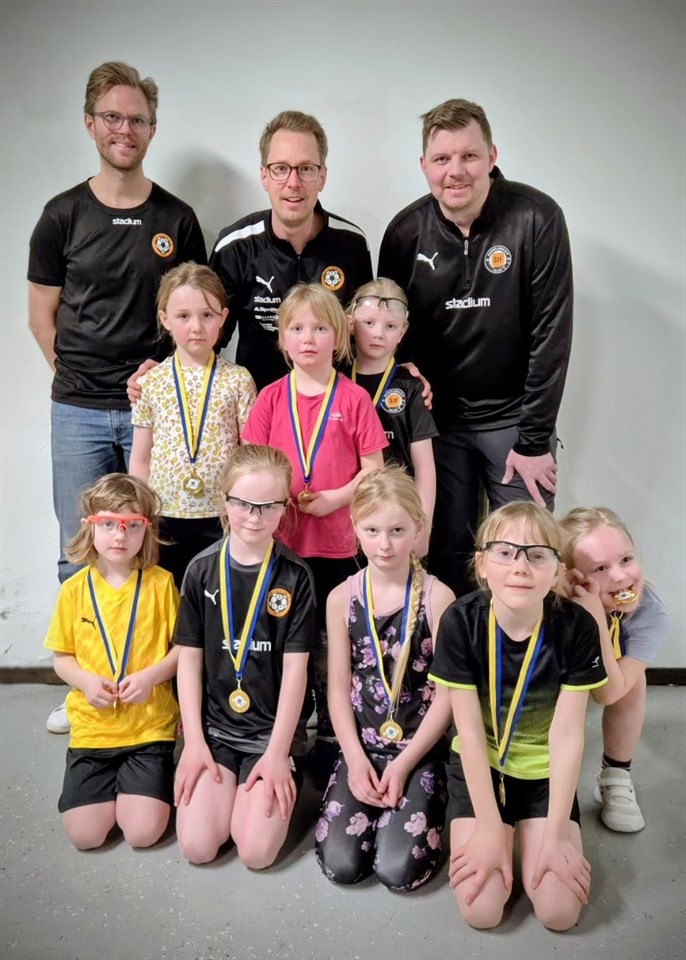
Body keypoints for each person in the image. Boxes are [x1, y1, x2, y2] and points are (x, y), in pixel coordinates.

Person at [28, 61, 206, 733]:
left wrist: (155, 386)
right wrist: (80, 377)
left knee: (156, 543)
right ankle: (84, 685)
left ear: (152, 129)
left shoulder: (176, 219)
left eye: (137, 119)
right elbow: (41, 317)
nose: (124, 129)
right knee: (81, 544)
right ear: (90, 123)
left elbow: (193, 312)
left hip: (156, 413)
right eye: (113, 117)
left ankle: (163, 686)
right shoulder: (62, 216)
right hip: (77, 409)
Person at [378, 98, 573, 596]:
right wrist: (406, 375)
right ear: (424, 165)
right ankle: (455, 649)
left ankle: (521, 653)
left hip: (515, 424)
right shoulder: (404, 233)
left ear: (491, 156)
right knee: (445, 559)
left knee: (524, 556)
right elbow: (389, 331)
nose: (455, 171)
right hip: (437, 428)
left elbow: (551, 335)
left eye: (468, 156)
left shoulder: (536, 218)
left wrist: (534, 441)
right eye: (442, 159)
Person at [429, 502, 609, 930]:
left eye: (537, 554)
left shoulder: (577, 627)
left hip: (544, 774)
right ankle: (502, 830)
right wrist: (489, 828)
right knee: (482, 911)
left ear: (558, 569)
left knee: (559, 912)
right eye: (505, 552)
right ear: (482, 564)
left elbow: (567, 737)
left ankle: (534, 832)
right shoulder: (460, 621)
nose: (520, 567)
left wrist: (556, 835)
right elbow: (469, 733)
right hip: (481, 767)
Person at [241, 283, 387, 778]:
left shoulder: (354, 398)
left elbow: (374, 469)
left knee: (332, 642)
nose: (308, 338)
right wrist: (278, 498)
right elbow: (252, 465)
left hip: (338, 547)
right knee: (285, 638)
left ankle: (331, 731)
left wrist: (336, 499)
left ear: (339, 338)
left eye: (320, 328)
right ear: (282, 338)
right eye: (297, 328)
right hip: (282, 546)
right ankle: (288, 728)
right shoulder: (269, 398)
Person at [173, 445, 317, 867]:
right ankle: (227, 789)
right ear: (224, 501)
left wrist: (276, 753)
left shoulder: (295, 576)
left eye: (269, 506)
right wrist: (194, 743)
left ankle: (280, 778)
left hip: (270, 736)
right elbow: (188, 660)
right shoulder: (201, 570)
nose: (254, 517)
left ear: (285, 507)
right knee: (197, 847)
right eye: (243, 504)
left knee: (256, 852)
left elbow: (296, 672)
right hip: (215, 733)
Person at [315, 467, 454, 891]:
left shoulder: (438, 598)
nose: (385, 544)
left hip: (419, 749)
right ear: (355, 528)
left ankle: (426, 802)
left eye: (397, 530)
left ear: (418, 528)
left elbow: (448, 697)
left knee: (397, 871)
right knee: (341, 866)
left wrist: (406, 762)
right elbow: (338, 690)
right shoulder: (341, 598)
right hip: (362, 746)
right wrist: (355, 760)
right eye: (372, 530)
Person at [43, 474, 179, 850]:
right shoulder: (73, 590)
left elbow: (182, 650)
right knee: (86, 836)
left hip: (149, 728)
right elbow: (62, 658)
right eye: (108, 524)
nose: (120, 536)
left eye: (132, 525)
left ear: (146, 530)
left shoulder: (161, 584)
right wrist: (87, 682)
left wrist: (151, 676)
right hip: (93, 729)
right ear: (89, 526)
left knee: (142, 834)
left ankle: (147, 784)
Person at [209, 110, 373, 390]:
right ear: (264, 176)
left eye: (306, 169)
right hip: (259, 407)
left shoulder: (352, 244)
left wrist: (400, 374)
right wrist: (167, 371)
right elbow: (207, 338)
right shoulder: (235, 246)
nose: (293, 183)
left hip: (334, 407)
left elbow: (366, 337)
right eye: (281, 168)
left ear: (322, 177)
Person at [129, 263, 256, 588]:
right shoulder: (151, 382)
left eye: (207, 315)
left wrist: (242, 508)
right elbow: (141, 458)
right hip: (164, 516)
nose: (196, 327)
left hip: (222, 515)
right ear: (165, 319)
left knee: (217, 596)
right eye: (183, 316)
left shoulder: (238, 380)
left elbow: (249, 455)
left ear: (223, 317)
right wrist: (142, 513)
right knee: (169, 597)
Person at [560, 507, 669, 833]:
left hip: (607, 679)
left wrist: (596, 617)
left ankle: (616, 774)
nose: (621, 577)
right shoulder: (554, 606)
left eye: (626, 559)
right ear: (572, 577)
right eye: (601, 568)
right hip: (558, 686)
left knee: (631, 681)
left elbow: (608, 693)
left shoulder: (649, 613)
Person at [347, 278, 438, 556]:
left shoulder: (411, 387)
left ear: (403, 332)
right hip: (346, 510)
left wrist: (422, 528)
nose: (378, 334)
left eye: (390, 326)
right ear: (351, 324)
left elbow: (424, 467)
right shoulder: (335, 379)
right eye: (369, 323)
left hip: (397, 516)